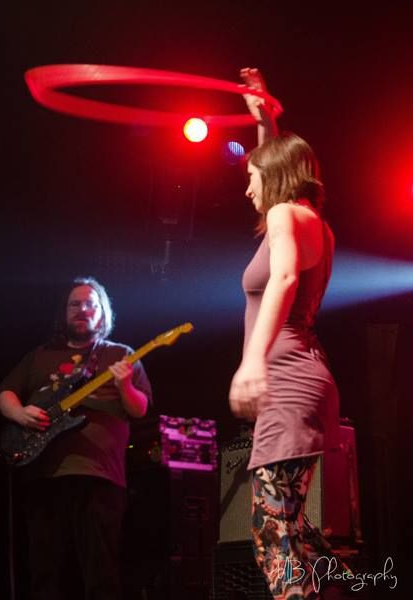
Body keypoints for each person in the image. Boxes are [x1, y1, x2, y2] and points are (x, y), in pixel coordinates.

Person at [229, 68, 341, 599]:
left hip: (288, 382)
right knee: (293, 529)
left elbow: (285, 278)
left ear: (272, 178)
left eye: (253, 176)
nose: (247, 186)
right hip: (306, 380)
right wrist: (266, 121)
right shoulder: (310, 219)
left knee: (272, 531)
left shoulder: (281, 214)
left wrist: (253, 360)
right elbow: (272, 163)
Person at [0, 276, 152, 600]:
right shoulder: (40, 355)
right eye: (75, 304)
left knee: (101, 574)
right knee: (44, 574)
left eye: (90, 304)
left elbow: (139, 409)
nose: (82, 310)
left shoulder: (121, 354)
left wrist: (124, 386)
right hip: (43, 475)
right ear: (64, 312)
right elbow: (5, 394)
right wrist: (20, 413)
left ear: (102, 312)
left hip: (99, 476)